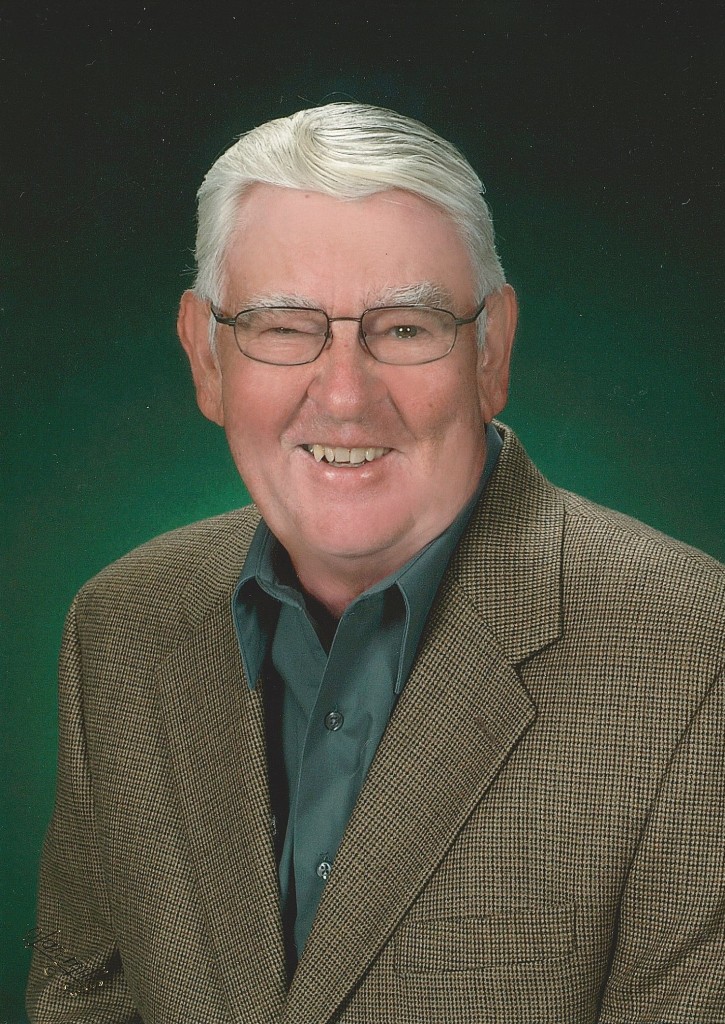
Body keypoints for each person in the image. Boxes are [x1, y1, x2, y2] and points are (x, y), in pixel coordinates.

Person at [27, 102, 723, 1024]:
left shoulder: (690, 649)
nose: (346, 397)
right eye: (283, 327)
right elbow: (83, 999)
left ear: (490, 350)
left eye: (404, 328)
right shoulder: (120, 622)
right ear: (206, 356)